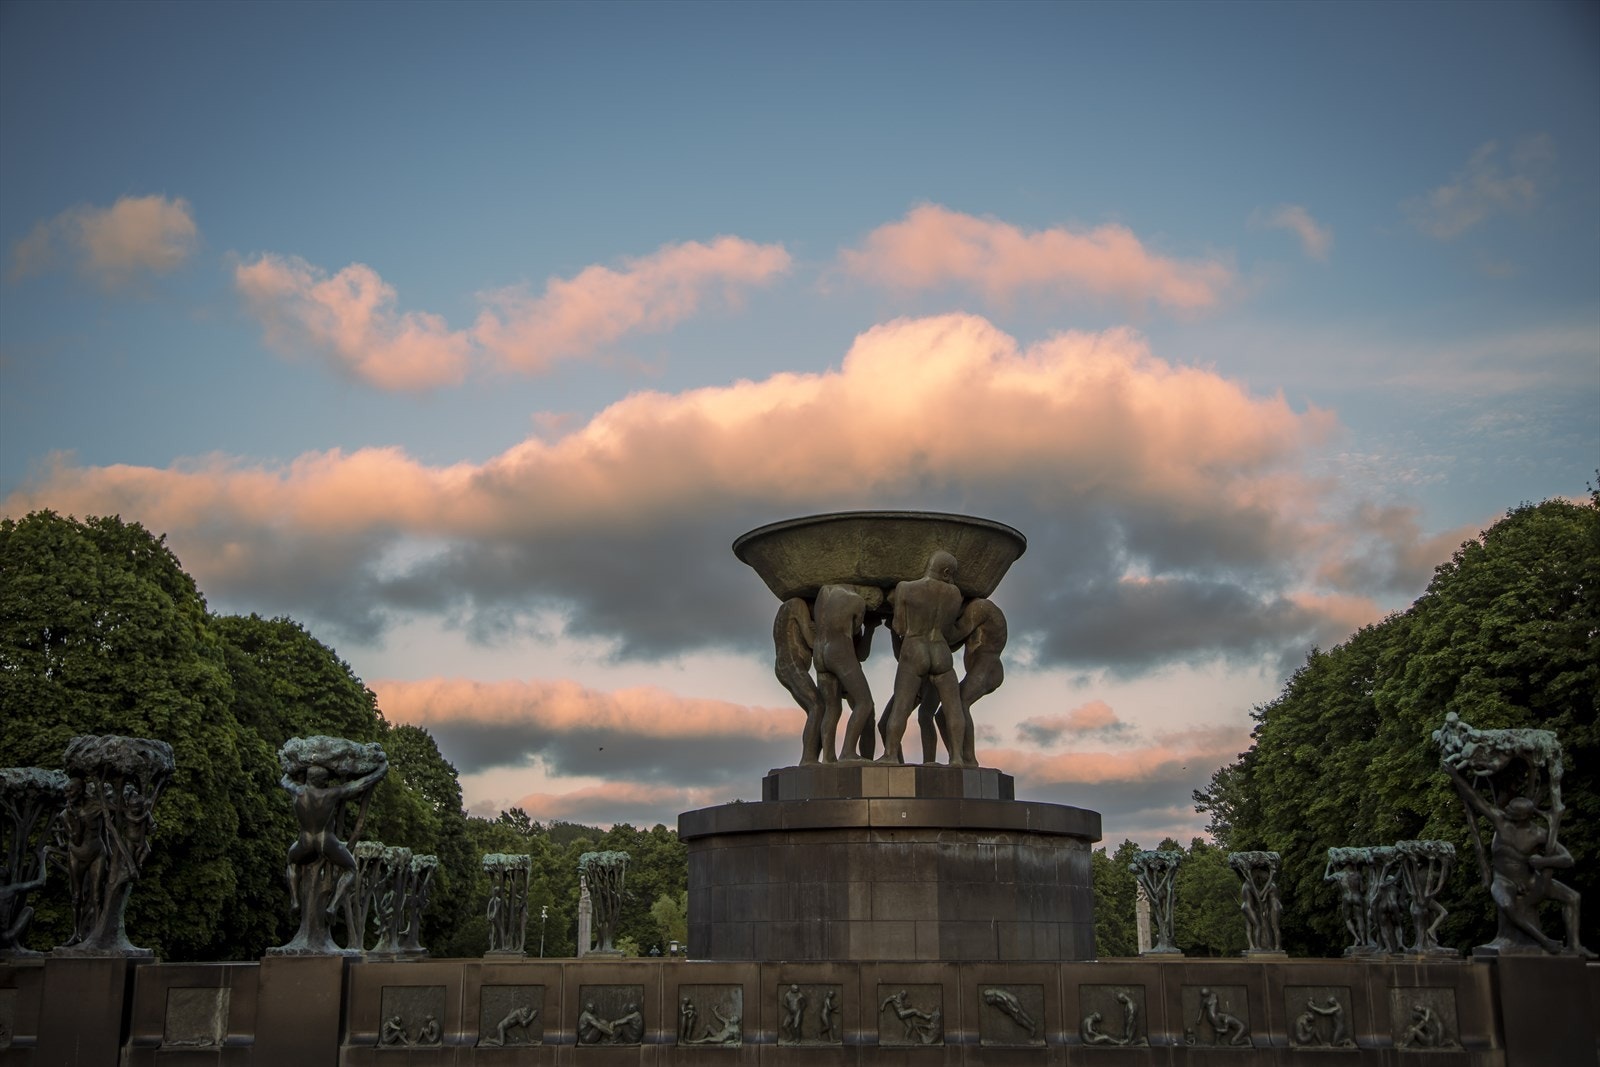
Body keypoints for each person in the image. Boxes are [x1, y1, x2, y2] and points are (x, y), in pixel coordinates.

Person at [879, 552, 967, 766]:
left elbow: (899, 627)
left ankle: (891, 755)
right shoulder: (955, 594)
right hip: (941, 651)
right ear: (946, 572)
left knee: (902, 704)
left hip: (915, 648)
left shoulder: (906, 588)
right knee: (953, 707)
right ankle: (956, 757)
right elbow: (947, 629)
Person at [282, 754, 388, 917]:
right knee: (351, 868)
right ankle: (333, 906)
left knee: (291, 862)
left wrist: (292, 766)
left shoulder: (296, 791)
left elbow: (284, 780)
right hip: (325, 840)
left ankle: (295, 900)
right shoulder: (330, 794)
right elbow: (359, 786)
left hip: (305, 840)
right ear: (322, 781)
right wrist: (380, 771)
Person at [814, 585, 880, 761]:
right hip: (840, 652)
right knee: (865, 703)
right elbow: (857, 636)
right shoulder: (856, 601)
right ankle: (847, 751)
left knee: (832, 708)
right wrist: (871, 628)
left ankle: (828, 757)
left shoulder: (824, 592)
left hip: (819, 653)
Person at [773, 599, 824, 763]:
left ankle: (812, 757)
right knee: (817, 706)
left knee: (817, 710)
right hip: (792, 664)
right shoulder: (798, 605)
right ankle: (808, 757)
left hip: (785, 664)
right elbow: (811, 641)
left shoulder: (784, 608)